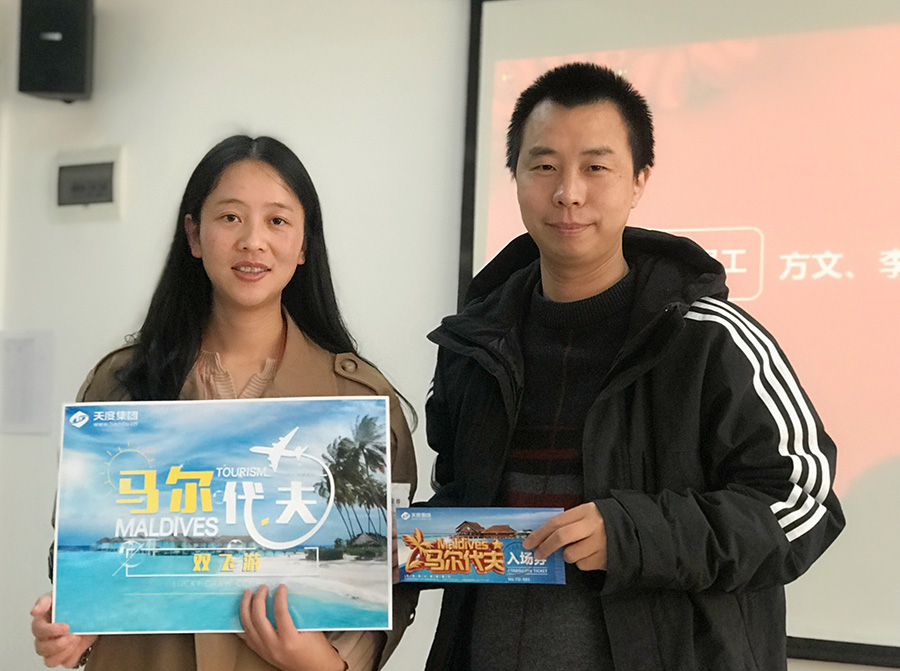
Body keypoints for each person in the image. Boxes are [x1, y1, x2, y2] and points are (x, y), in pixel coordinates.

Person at [423, 63, 844, 670]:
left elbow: (803, 504)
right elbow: (463, 505)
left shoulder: (709, 340)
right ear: (514, 176)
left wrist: (632, 534)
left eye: (596, 167)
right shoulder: (474, 345)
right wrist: (377, 550)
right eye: (544, 166)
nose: (569, 192)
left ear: (639, 180)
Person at [30, 135, 417, 671]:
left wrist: (328, 664)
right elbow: (78, 553)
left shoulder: (358, 402)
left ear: (304, 245)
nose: (253, 241)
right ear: (194, 235)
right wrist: (69, 623)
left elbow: (393, 571)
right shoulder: (118, 385)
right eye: (230, 217)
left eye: (277, 221)